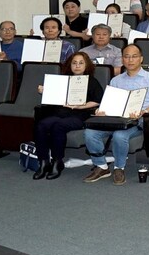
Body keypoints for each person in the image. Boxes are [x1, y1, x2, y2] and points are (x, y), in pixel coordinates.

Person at [81, 44, 149, 185]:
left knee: (119, 135)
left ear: (141, 59)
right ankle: (102, 167)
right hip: (115, 119)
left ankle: (119, 168)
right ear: (122, 59)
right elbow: (109, 101)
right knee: (90, 133)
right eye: (126, 56)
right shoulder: (116, 80)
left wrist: (144, 112)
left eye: (134, 56)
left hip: (137, 119)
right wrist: (102, 111)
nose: (130, 60)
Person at [32, 51, 104, 180]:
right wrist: (44, 90)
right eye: (74, 63)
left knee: (58, 126)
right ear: (70, 65)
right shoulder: (63, 80)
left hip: (80, 115)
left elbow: (97, 101)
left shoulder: (92, 81)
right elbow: (53, 96)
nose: (77, 66)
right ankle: (43, 162)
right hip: (61, 112)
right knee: (41, 125)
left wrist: (80, 106)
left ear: (86, 65)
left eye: (81, 63)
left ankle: (57, 161)